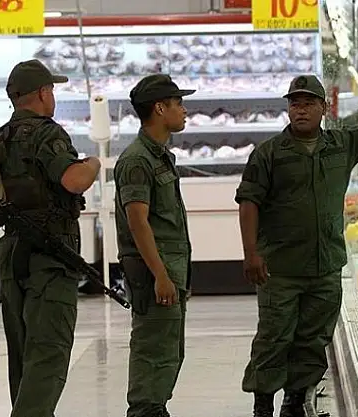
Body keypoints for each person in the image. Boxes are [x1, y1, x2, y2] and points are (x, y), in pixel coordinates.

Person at [236, 67, 358, 417]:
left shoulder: (342, 144)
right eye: (294, 104)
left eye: (308, 103)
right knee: (273, 337)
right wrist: (251, 253)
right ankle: (262, 405)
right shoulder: (269, 153)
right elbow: (248, 202)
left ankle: (295, 402)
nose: (300, 109)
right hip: (280, 268)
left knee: (313, 338)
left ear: (323, 108)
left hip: (325, 265)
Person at [0, 59, 101, 417]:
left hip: (12, 255)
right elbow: (74, 180)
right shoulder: (48, 134)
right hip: (50, 258)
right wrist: (93, 163)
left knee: (23, 352)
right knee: (50, 351)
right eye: (51, 90)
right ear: (42, 93)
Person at [113, 74, 194, 417]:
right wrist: (160, 274)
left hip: (169, 269)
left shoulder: (159, 156)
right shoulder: (137, 160)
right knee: (153, 350)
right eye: (178, 103)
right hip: (153, 272)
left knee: (169, 349)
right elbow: (138, 221)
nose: (184, 110)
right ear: (160, 109)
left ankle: (154, 407)